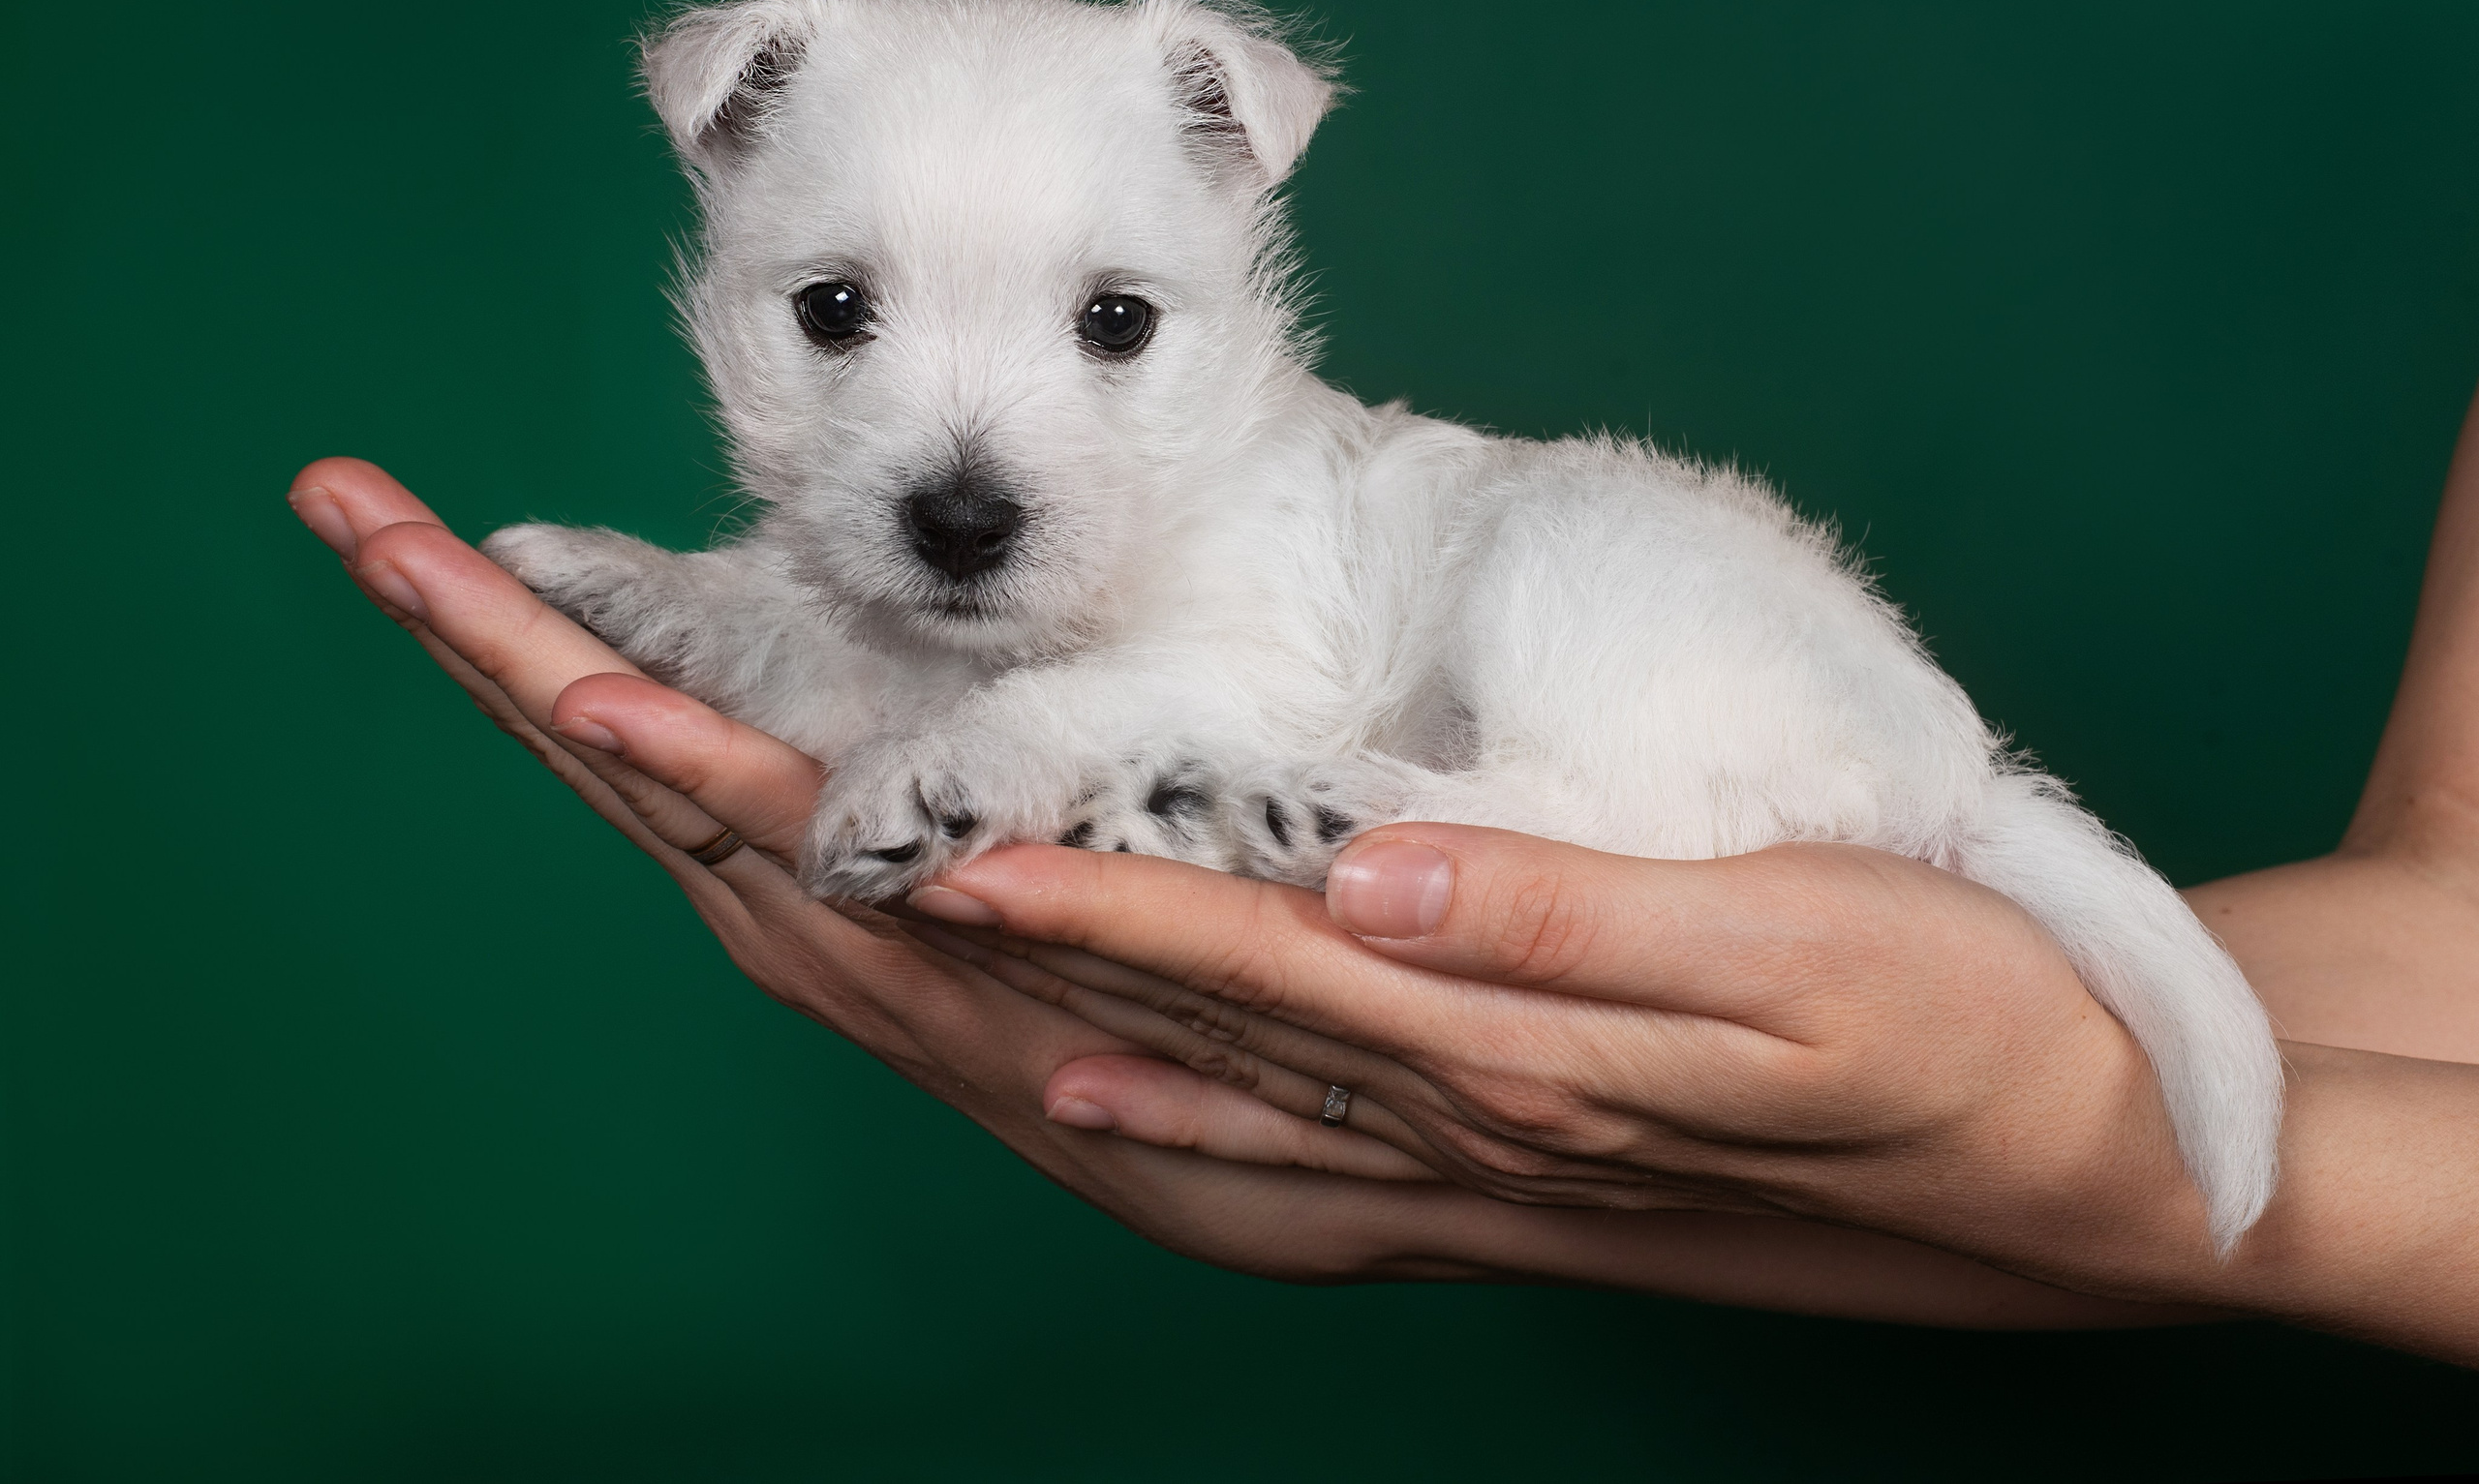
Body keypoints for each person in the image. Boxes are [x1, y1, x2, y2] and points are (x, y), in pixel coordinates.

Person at [285, 382, 2479, 1365]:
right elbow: (2449, 905)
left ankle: (1553, 823)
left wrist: (2074, 1141)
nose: (971, 442)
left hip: (1741, 737)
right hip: (1682, 808)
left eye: (1108, 325)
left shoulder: (1283, 534)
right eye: (836, 310)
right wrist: (705, 617)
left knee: (1562, 553)